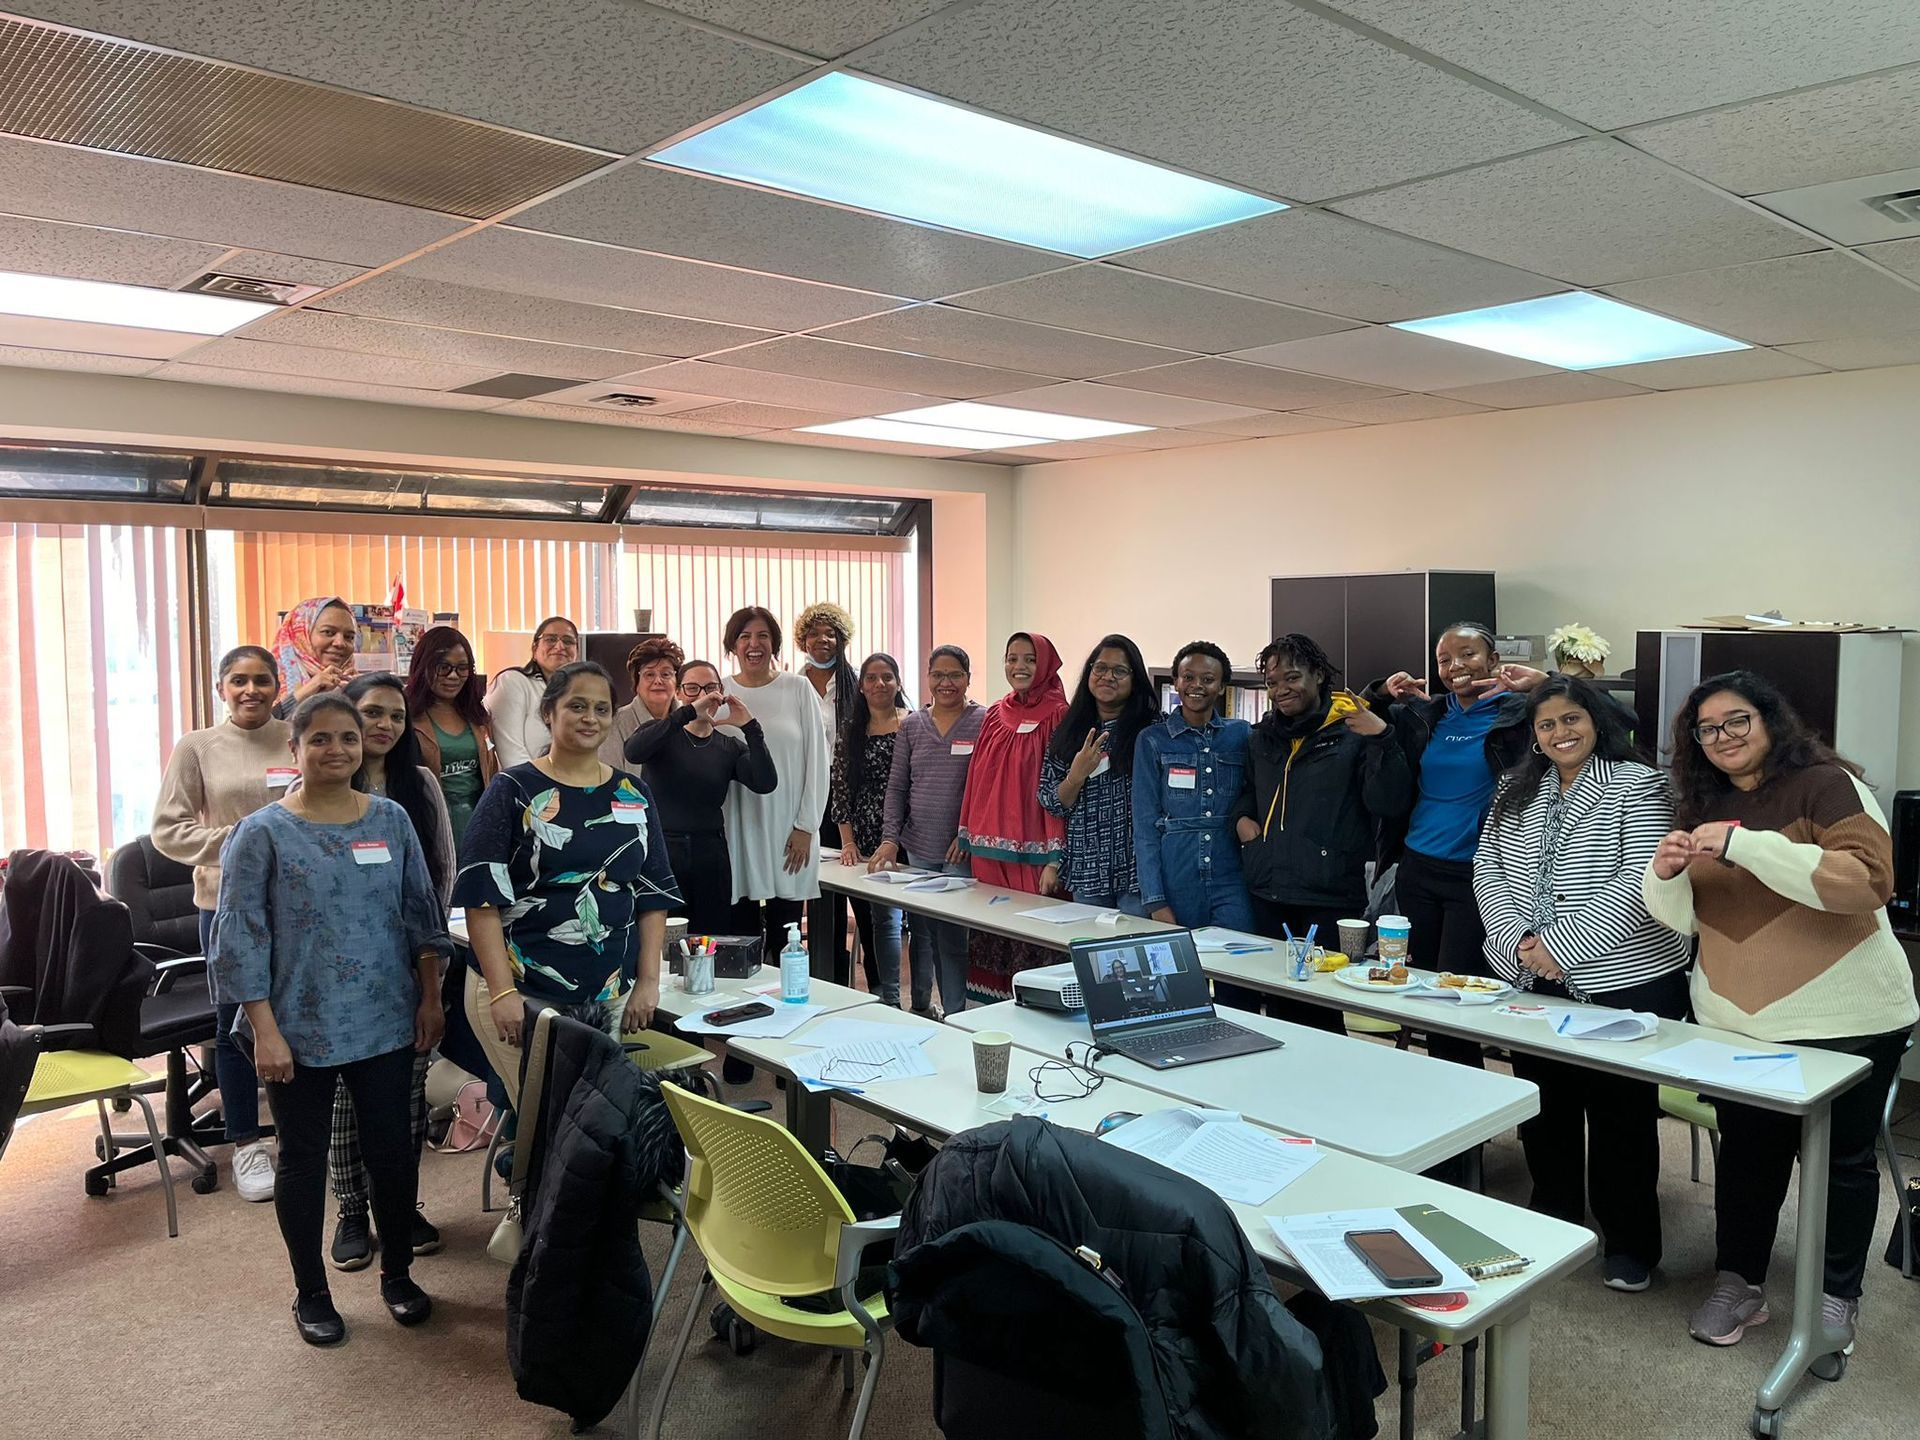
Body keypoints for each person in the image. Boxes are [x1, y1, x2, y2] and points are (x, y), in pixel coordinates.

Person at [1644, 671, 1918, 1351]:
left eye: (1737, 720)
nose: (1723, 738)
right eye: (1707, 729)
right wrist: (1665, 871)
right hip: (1738, 1020)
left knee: (1841, 1161)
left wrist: (1745, 844)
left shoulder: (1826, 785)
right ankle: (1738, 1284)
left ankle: (1835, 1298)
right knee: (1748, 1156)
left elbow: (1867, 883)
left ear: (1770, 720)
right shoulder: (1699, 802)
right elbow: (1683, 920)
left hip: (1848, 1017)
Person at [211, 693, 448, 1346]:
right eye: (320, 739)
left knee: (392, 1154)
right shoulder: (260, 833)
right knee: (303, 1161)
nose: (337, 750)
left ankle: (397, 1274)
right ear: (295, 749)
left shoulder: (392, 820)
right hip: (297, 1028)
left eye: (348, 737)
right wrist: (264, 1030)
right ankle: (310, 1293)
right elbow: (241, 939)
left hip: (384, 1020)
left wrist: (430, 996)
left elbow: (420, 914)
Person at [1472, 676, 1690, 1294]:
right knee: (1548, 1108)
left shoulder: (1641, 785)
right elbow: (1487, 870)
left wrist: (1559, 946)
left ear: (1596, 722)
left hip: (1627, 979)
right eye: (1547, 725)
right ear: (1534, 736)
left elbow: (1641, 887)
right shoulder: (1517, 792)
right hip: (1532, 980)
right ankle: (1555, 1217)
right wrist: (1518, 942)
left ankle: (1630, 1245)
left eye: (1572, 720)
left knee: (1622, 1117)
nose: (1561, 733)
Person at [455, 662, 681, 1107]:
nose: (590, 718)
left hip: (607, 992)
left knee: (588, 1126)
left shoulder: (632, 792)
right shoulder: (513, 789)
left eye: (601, 708)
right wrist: (502, 993)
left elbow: (652, 894)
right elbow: (481, 898)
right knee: (550, 1126)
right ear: (548, 713)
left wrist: (648, 982)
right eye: (576, 706)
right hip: (522, 991)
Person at [1367, 622, 1559, 1068]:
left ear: (1494, 661)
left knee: (1455, 1000)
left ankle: (1469, 1123)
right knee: (1415, 990)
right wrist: (1382, 690)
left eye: (1469, 655)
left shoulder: (1519, 714)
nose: (1456, 667)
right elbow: (1355, 715)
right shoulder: (1427, 714)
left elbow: (1609, 720)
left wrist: (1547, 685)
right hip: (1417, 869)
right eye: (1445, 660)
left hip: (1479, 874)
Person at [151, 644, 293, 1202]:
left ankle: (299, 1135)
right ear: (221, 689)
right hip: (226, 902)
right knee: (235, 1027)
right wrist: (237, 844)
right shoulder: (198, 747)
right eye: (239, 681)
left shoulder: (297, 735)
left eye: (262, 679)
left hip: (297, 903)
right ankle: (246, 1144)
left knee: (300, 1020)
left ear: (279, 686)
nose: (251, 690)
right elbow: (169, 829)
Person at [328, 674, 456, 1272]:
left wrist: (426, 958)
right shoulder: (322, 784)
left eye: (396, 717)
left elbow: (441, 875)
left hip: (408, 960)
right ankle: (353, 1209)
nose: (384, 726)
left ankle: (399, 1207)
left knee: (404, 1096)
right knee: (344, 1102)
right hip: (336, 967)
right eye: (371, 713)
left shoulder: (420, 785)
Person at [1231, 633, 1413, 1030]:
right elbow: (1248, 792)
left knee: (1321, 1005)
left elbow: (1390, 803)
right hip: (1268, 887)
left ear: (1318, 675)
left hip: (1329, 894)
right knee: (1275, 1000)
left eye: (1292, 678)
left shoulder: (1353, 731)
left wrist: (1382, 739)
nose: (1281, 690)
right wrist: (1244, 825)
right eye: (1273, 682)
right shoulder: (1261, 737)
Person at [869, 646, 985, 1017]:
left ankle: (956, 1016)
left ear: (968, 677)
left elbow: (987, 787)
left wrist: (968, 832)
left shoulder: (984, 722)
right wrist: (890, 839)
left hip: (959, 850)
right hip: (919, 846)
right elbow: (897, 787)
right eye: (938, 675)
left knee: (951, 938)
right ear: (928, 678)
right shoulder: (913, 725)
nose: (946, 683)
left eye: (954, 675)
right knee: (923, 933)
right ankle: (926, 1010)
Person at [624, 659, 776, 934]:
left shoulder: (728, 746)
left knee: (711, 937)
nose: (703, 695)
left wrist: (751, 727)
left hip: (710, 853)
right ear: (680, 692)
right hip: (664, 851)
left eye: (710, 688)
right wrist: (686, 714)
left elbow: (765, 782)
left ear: (721, 692)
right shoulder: (659, 732)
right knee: (663, 940)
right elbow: (634, 751)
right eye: (692, 688)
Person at [958, 633, 1069, 1004]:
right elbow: (976, 776)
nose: (1018, 667)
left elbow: (1058, 788)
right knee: (991, 933)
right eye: (1011, 658)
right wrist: (966, 834)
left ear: (1046, 665)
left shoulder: (1059, 715)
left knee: (1033, 936)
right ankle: (987, 1017)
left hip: (1036, 853)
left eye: (1029, 659)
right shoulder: (994, 713)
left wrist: (1056, 856)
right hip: (988, 852)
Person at [717, 606, 829, 959]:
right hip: (735, 829)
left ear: (775, 644)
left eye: (763, 636)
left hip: (789, 831)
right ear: (733, 644)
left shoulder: (798, 689)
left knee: (787, 938)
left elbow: (818, 761)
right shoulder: (719, 691)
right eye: (745, 636)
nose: (754, 644)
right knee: (739, 936)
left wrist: (806, 825)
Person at [1135, 641, 1255, 934]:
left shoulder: (1241, 734)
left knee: (1238, 968)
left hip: (1232, 874)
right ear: (1175, 681)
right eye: (1188, 677)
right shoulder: (1152, 740)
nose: (1196, 685)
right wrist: (1154, 899)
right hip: (1177, 876)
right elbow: (1144, 826)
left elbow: (1256, 794)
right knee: (1180, 972)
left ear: (1222, 686)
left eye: (1208, 679)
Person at [1038, 634, 1158, 913]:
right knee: (1092, 953)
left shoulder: (1152, 730)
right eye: (1100, 668)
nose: (1108, 677)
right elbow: (1050, 800)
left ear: (1135, 679)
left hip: (1137, 871)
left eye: (1120, 671)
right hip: (1087, 869)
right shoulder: (1069, 729)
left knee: (1133, 950)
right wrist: (1076, 776)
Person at [831, 652, 909, 1006]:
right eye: (872, 678)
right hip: (864, 837)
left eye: (887, 677)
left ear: (897, 683)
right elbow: (841, 788)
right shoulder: (850, 731)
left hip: (912, 833)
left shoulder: (913, 723)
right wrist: (847, 841)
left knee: (916, 923)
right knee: (873, 920)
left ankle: (918, 996)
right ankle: (882, 996)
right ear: (861, 686)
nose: (880, 684)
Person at [798, 603, 859, 986]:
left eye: (831, 633)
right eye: (815, 633)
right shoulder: (791, 683)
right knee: (811, 886)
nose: (823, 640)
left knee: (846, 887)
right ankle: (815, 972)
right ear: (802, 639)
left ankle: (842, 976)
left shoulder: (858, 683)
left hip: (846, 800)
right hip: (804, 795)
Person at [403, 624, 496, 847]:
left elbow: (491, 772)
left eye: (462, 668)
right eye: (443, 667)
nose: (453, 676)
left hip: (478, 820)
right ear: (423, 667)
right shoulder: (405, 716)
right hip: (429, 824)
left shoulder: (478, 716)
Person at [485, 615, 580, 767]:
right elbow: (512, 755)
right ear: (535, 649)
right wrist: (543, 787)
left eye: (568, 641)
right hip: (526, 785)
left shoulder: (579, 693)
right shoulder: (512, 682)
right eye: (551, 639)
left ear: (576, 652)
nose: (560, 646)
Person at [605, 636, 684, 770]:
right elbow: (610, 777)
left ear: (676, 682)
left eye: (666, 674)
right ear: (637, 683)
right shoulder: (615, 723)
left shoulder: (689, 720)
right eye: (649, 675)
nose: (658, 681)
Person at [271, 596, 357, 717]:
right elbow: (259, 730)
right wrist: (306, 691)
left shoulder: (354, 687)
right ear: (300, 635)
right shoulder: (267, 681)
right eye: (328, 632)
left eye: (349, 637)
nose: (340, 643)